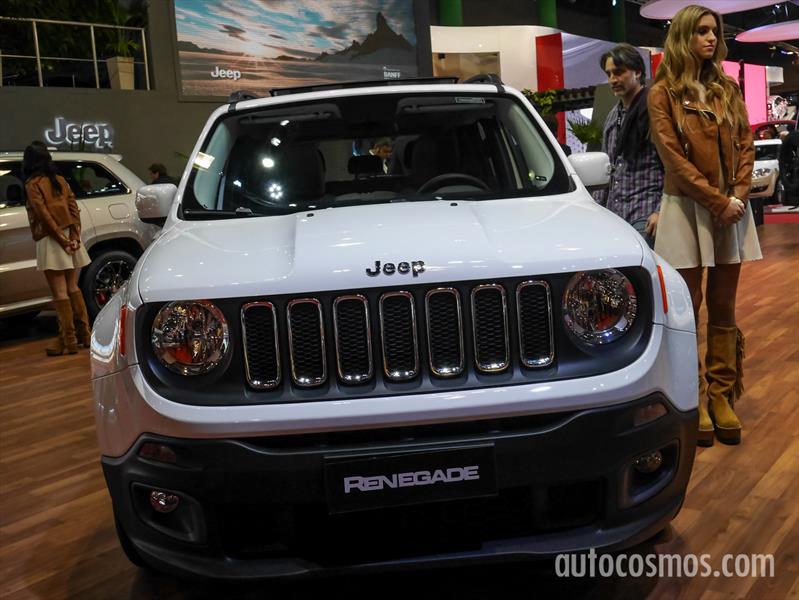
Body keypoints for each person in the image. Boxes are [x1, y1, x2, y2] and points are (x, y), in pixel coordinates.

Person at [648, 5, 762, 446]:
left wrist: (737, 194)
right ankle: (691, 396)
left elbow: (746, 143)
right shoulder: (663, 94)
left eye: (714, 31)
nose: (711, 38)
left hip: (730, 206)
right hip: (687, 207)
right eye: (701, 31)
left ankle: (721, 395)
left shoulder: (727, 88)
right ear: (682, 37)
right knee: (686, 307)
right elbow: (673, 158)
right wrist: (718, 201)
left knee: (724, 304)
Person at [23, 142, 92, 356]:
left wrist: (62, 240)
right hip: (69, 236)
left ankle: (67, 340)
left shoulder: (32, 184)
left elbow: (43, 215)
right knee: (73, 287)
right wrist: (74, 236)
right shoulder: (60, 180)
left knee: (59, 291)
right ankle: (84, 335)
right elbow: (74, 208)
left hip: (50, 240)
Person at [594, 43, 664, 246]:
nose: (612, 79)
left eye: (619, 72)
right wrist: (598, 212)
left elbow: (672, 167)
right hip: (616, 216)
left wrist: (661, 211)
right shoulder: (612, 116)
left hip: (646, 214)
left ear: (638, 71)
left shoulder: (654, 110)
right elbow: (606, 171)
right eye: (608, 74)